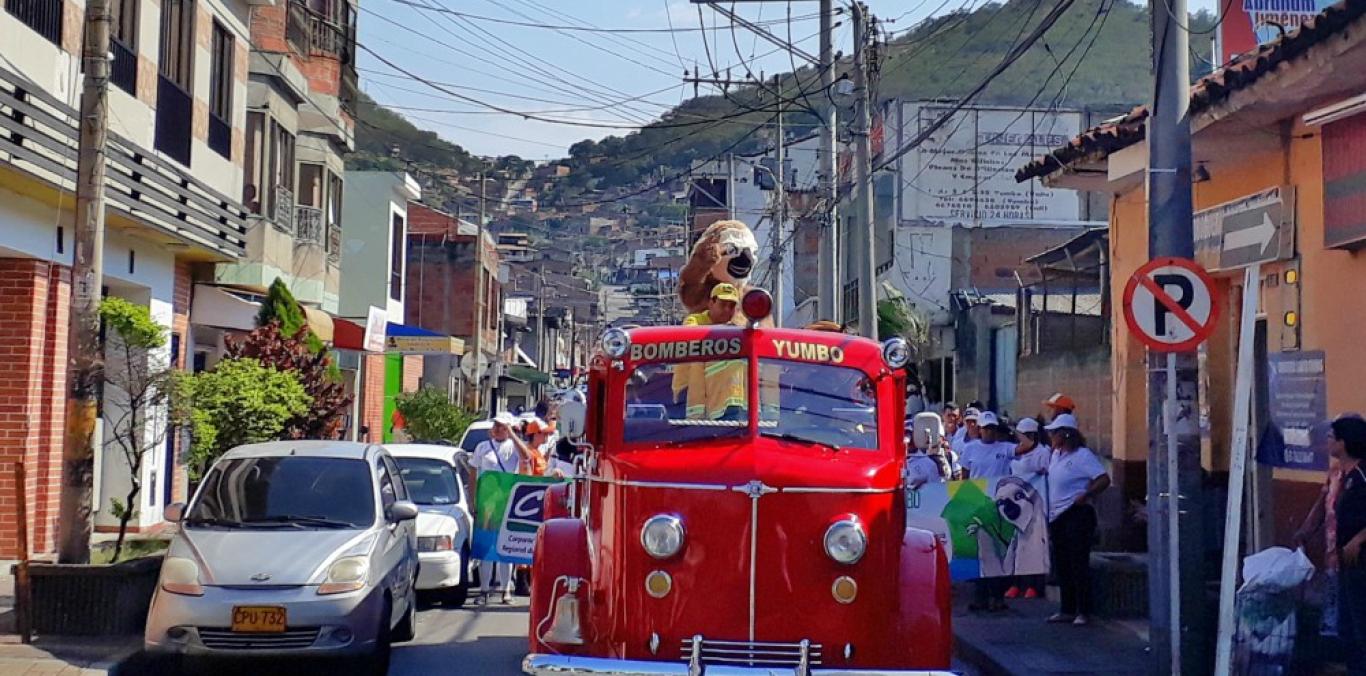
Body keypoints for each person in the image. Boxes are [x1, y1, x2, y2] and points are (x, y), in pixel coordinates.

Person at [1044, 413, 1110, 626]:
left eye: (1054, 432)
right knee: (1062, 563)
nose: (1051, 436)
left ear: (1065, 434)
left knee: (1078, 563)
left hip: (1077, 513)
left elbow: (1103, 478)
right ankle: (1067, 608)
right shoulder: (1056, 455)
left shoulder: (1082, 456)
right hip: (1058, 515)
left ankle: (1084, 610)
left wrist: (1087, 494)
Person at [473, 413, 537, 605]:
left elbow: (527, 457)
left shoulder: (513, 447)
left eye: (502, 426)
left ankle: (505, 589)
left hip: (507, 500)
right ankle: (484, 590)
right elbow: (473, 471)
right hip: (487, 501)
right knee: (485, 546)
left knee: (505, 546)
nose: (497, 429)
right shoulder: (482, 447)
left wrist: (512, 434)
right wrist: (473, 500)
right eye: (496, 426)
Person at [674, 284, 747, 420]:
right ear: (711, 303)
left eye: (731, 306)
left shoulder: (736, 327)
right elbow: (692, 336)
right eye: (723, 304)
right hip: (686, 390)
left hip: (718, 399)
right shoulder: (694, 321)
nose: (727, 310)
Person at [1330, 415, 1366, 673]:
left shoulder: (1363, 474)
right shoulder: (1344, 476)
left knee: (1361, 627)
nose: (1328, 442)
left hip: (1362, 561)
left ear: (1343, 443)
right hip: (1346, 563)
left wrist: (1359, 538)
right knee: (1347, 628)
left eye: (1332, 437)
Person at [1006, 417, 1050, 600]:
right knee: (1016, 548)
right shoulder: (1016, 453)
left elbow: (1045, 471)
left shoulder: (1044, 453)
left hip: (1036, 509)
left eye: (1023, 436)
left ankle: (1033, 586)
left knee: (1034, 549)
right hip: (1017, 509)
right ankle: (1016, 584)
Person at [906, 412, 949, 489]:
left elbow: (935, 491)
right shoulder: (894, 461)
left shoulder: (928, 463)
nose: (906, 438)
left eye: (909, 433)